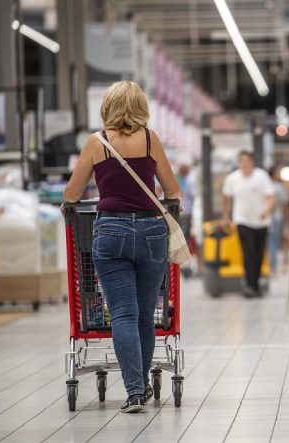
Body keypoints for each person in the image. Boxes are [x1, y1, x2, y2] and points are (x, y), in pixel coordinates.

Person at [63, 80, 181, 413]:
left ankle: (133, 393)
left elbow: (71, 195)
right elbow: (172, 190)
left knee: (124, 316)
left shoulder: (96, 143)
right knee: (145, 316)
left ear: (107, 108)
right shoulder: (149, 139)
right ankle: (140, 385)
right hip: (152, 233)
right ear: (141, 107)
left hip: (110, 231)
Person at [221, 151, 274, 297]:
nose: (244, 163)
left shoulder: (261, 176)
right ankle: (249, 285)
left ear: (252, 161)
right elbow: (226, 197)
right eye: (241, 161)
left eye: (247, 160)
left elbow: (270, 197)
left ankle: (256, 284)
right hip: (242, 220)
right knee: (248, 253)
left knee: (259, 254)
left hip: (262, 222)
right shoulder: (233, 178)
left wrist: (266, 210)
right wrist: (226, 216)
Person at [267, 166, 289, 273]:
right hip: (276, 218)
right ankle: (272, 265)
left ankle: (270, 264)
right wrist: (287, 220)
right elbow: (285, 205)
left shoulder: (265, 186)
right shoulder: (279, 188)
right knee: (274, 242)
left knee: (268, 242)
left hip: (264, 218)